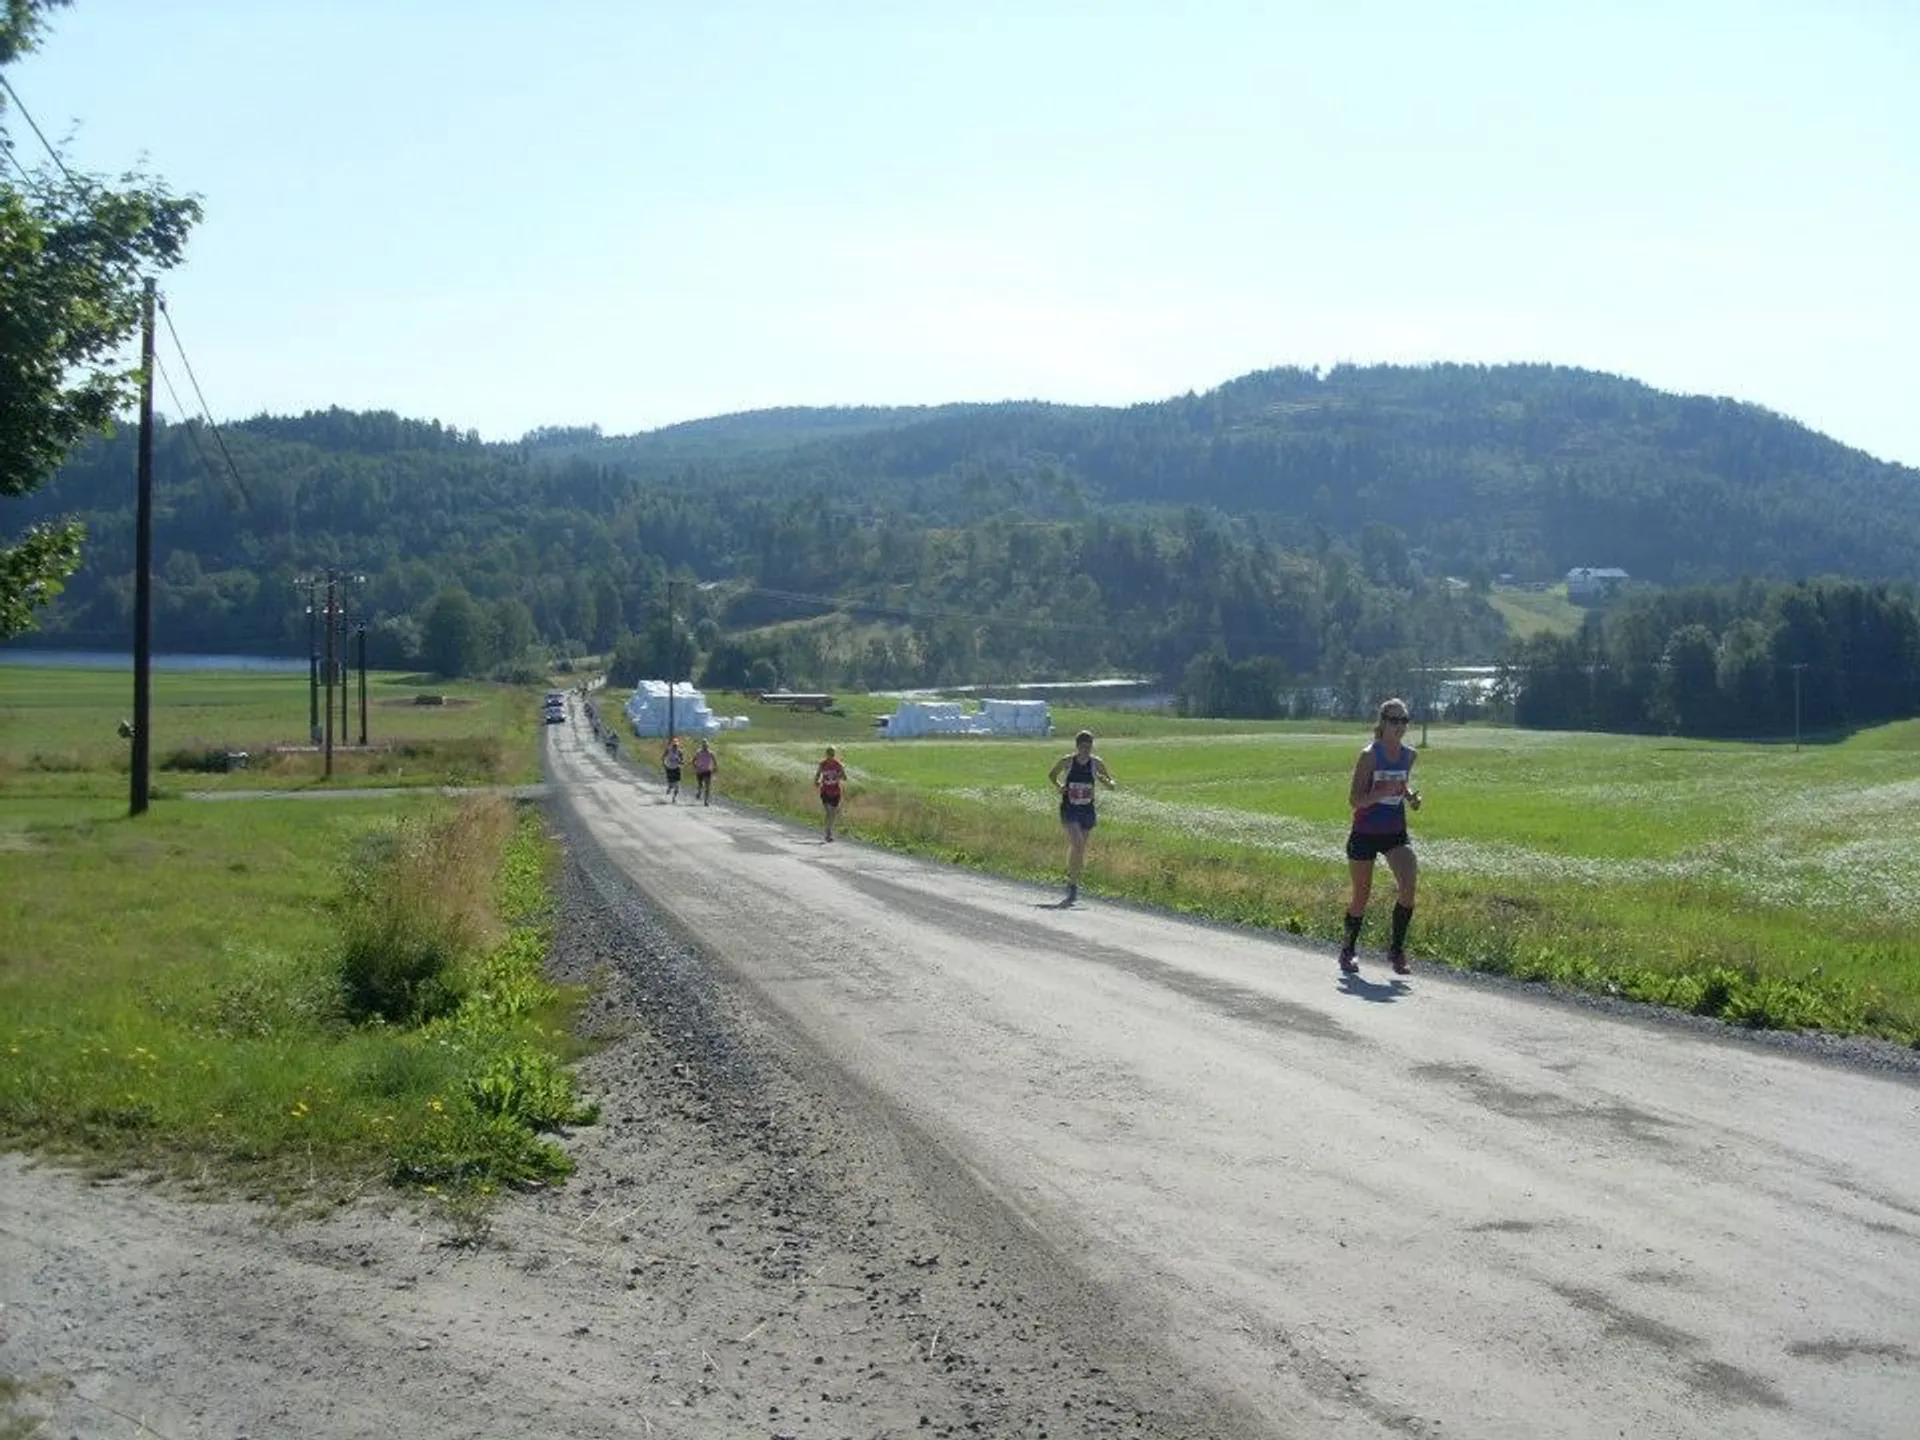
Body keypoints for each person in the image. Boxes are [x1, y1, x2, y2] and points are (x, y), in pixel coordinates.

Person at [1339, 698, 1422, 977]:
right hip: (1365, 832)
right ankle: (1348, 950)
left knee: (1409, 887)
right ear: (1383, 723)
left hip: (1395, 832)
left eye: (1404, 721)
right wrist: (1380, 793)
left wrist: (1410, 796)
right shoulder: (1369, 755)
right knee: (1361, 896)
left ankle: (1396, 951)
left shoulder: (1409, 755)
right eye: (1394, 720)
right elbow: (1355, 799)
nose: (1400, 726)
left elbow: (1401, 782)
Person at [1047, 729, 1117, 905]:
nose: (1087, 750)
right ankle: (1072, 886)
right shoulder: (1067, 761)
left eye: (1089, 746)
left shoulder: (1096, 764)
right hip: (1069, 807)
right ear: (1077, 746)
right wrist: (1060, 785)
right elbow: (1051, 775)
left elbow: (1113, 785)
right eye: (1083, 747)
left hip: (1087, 808)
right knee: (1077, 843)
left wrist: (1104, 781)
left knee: (1079, 848)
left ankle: (1073, 880)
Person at [814, 746, 847, 841]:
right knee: (829, 812)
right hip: (825, 791)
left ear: (834, 755)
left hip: (836, 792)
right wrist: (816, 782)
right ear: (826, 755)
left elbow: (844, 778)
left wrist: (841, 773)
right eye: (829, 755)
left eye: (832, 755)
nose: (830, 757)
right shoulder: (822, 764)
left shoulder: (838, 765)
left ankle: (828, 832)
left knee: (832, 813)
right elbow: (817, 775)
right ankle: (828, 833)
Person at [692, 738, 717, 805]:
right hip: (700, 771)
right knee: (700, 785)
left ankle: (706, 801)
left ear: (708, 745)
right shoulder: (698, 752)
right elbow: (693, 760)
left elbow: (714, 761)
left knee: (707, 787)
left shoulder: (711, 753)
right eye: (704, 745)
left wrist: (714, 768)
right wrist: (695, 766)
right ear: (702, 746)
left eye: (706, 745)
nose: (705, 747)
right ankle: (699, 792)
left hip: (707, 771)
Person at [661, 737, 685, 803]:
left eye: (676, 745)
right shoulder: (668, 750)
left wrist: (680, 761)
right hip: (669, 768)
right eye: (674, 745)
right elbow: (663, 757)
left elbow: (682, 761)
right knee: (671, 784)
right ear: (672, 745)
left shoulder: (680, 752)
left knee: (677, 785)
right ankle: (669, 787)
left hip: (676, 768)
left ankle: (674, 798)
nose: (675, 747)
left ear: (678, 745)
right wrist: (664, 764)